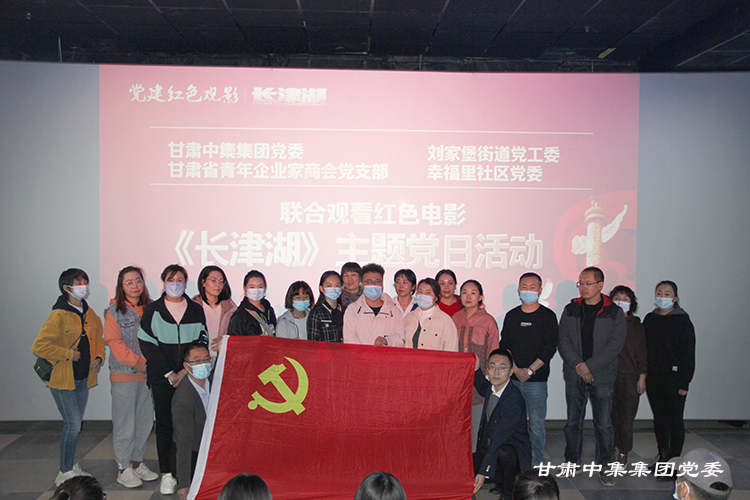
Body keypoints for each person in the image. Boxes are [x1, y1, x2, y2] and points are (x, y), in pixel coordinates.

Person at [138, 264, 208, 495]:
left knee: (190, 425)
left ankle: (187, 471)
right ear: (164, 282)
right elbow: (147, 344)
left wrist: (185, 371)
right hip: (163, 379)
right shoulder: (153, 310)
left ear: (186, 282)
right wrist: (170, 373)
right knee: (165, 424)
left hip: (190, 376)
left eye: (180, 279)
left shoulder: (195, 309)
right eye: (171, 279)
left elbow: (201, 340)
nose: (175, 284)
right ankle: (167, 473)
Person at [32, 268, 105, 486]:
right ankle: (64, 470)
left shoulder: (90, 313)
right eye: (79, 283)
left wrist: (98, 358)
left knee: (75, 424)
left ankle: (70, 465)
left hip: (82, 378)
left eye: (85, 283)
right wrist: (68, 354)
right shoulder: (58, 314)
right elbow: (39, 346)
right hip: (62, 379)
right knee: (72, 425)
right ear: (66, 288)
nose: (84, 287)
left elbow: (98, 339)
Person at [557, 266, 626, 486]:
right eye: (581, 283)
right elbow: (563, 340)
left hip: (602, 376)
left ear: (600, 285)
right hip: (575, 374)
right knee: (573, 422)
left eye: (588, 283)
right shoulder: (571, 309)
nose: (583, 287)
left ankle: (605, 466)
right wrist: (579, 365)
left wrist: (590, 367)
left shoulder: (613, 312)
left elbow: (615, 346)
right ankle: (572, 461)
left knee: (604, 424)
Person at [103, 266, 159, 487]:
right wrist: (139, 363)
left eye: (138, 281)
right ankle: (123, 467)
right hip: (125, 374)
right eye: (129, 282)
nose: (135, 286)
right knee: (125, 423)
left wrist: (151, 364)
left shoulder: (152, 308)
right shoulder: (113, 312)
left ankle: (137, 462)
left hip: (148, 375)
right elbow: (115, 344)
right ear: (121, 286)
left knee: (144, 421)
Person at [500, 272, 558, 467]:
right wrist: (515, 369)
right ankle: (514, 465)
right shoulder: (512, 316)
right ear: (518, 290)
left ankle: (535, 466)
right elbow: (505, 344)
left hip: (537, 382)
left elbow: (550, 347)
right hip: (513, 379)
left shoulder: (548, 316)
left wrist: (531, 370)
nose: (528, 290)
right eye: (524, 287)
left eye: (532, 287)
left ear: (540, 291)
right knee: (512, 425)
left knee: (536, 426)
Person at [644, 280, 695, 464]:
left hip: (674, 378)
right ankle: (663, 456)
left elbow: (688, 353)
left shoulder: (682, 321)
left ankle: (674, 461)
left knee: (674, 419)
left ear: (674, 298)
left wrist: (684, 382)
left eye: (667, 294)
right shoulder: (650, 319)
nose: (662, 297)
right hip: (653, 377)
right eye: (659, 293)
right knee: (659, 419)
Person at [473, 348, 532, 499]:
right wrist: (476, 369)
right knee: (466, 466)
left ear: (511, 371)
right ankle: (498, 480)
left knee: (503, 453)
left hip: (513, 451)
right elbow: (482, 386)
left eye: (502, 368)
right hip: (494, 446)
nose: (496, 372)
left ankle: (508, 492)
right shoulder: (492, 388)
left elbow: (498, 440)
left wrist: (483, 472)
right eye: (492, 367)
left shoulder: (513, 401)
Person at [452, 279, 500, 452]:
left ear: (480, 297)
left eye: (473, 293)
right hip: (457, 382)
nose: (468, 296)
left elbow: (494, 352)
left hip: (479, 382)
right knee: (456, 428)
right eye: (464, 292)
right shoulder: (454, 319)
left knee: (476, 429)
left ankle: (474, 462)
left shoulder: (488, 321)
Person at [608, 285, 647, 467]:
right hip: (608, 376)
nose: (621, 302)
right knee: (609, 417)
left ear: (632, 304)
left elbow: (642, 352)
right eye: (617, 298)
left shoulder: (636, 326)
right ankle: (609, 450)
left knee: (626, 419)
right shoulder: (605, 322)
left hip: (630, 377)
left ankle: (623, 452)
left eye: (625, 299)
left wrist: (642, 377)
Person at [173, 342, 212, 500]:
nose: (203, 364)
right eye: (197, 361)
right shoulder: (183, 399)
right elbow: (184, 442)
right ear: (187, 366)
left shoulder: (216, 382)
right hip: (196, 453)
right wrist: (184, 484)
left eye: (206, 359)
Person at [343, 263, 405, 347]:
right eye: (369, 281)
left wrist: (388, 341)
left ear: (382, 285)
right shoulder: (352, 310)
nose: (373, 284)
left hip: (386, 355)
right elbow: (349, 340)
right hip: (360, 355)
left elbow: (401, 339)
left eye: (377, 281)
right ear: (362, 285)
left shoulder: (395, 311)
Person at [192, 266, 237, 355]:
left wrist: (226, 340)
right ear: (203, 282)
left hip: (223, 357)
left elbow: (236, 335)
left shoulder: (230, 308)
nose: (218, 285)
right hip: (199, 357)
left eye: (221, 281)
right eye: (213, 280)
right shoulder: (193, 306)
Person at [403, 277, 457, 351]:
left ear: (436, 297)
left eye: (428, 293)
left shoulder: (445, 321)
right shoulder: (409, 317)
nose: (423, 295)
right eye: (420, 291)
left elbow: (451, 350)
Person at [227, 270, 276, 337]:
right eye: (252, 287)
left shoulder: (269, 310)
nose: (256, 290)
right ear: (245, 288)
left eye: (260, 287)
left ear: (265, 288)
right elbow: (235, 341)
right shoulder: (239, 316)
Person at [308, 271, 344, 343]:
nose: (333, 289)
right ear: (321, 288)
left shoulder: (346, 310)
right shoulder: (316, 313)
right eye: (329, 286)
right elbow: (313, 342)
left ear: (341, 288)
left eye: (337, 285)